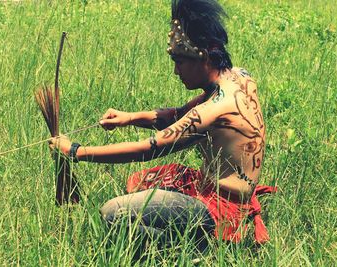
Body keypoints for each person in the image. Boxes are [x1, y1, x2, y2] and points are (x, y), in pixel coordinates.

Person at [49, 0, 276, 246]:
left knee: (114, 213)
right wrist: (130, 117)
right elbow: (178, 116)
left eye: (180, 61)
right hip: (215, 188)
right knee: (142, 182)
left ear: (204, 58)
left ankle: (191, 246)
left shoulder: (214, 110)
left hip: (221, 209)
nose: (176, 72)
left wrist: (76, 151)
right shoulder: (239, 77)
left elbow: (149, 148)